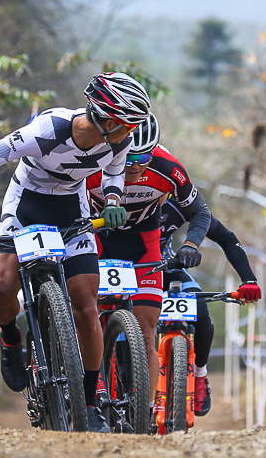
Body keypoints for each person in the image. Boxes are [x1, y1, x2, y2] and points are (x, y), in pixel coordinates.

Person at [0, 72, 151, 433]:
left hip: (72, 210)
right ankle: (10, 338)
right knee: (5, 288)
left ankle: (89, 403)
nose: (132, 134)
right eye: (129, 125)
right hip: (24, 208)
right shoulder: (46, 131)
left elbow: (114, 174)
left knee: (86, 304)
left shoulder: (117, 143)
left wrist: (113, 200)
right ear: (109, 119)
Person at [86, 113, 212, 409]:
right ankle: (91, 385)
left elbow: (201, 212)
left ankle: (145, 408)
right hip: (97, 240)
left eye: (142, 159)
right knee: (85, 314)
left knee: (145, 333)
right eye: (127, 159)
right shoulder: (91, 162)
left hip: (144, 245)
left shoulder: (168, 167)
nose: (134, 167)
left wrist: (191, 245)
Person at [159, 201, 262, 417]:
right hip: (126, 267)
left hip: (165, 267)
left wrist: (248, 280)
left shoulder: (178, 201)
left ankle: (199, 375)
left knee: (201, 312)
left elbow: (226, 237)